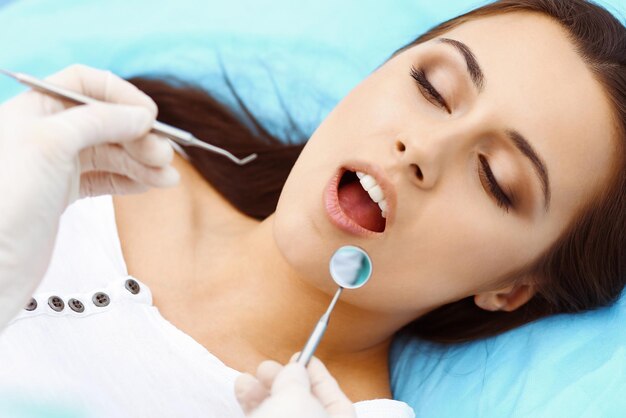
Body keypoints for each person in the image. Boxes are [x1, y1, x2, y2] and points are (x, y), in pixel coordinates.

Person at [0, 0, 624, 417]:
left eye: (495, 178)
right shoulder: (81, 154)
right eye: (432, 87)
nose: (423, 149)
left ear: (511, 289)